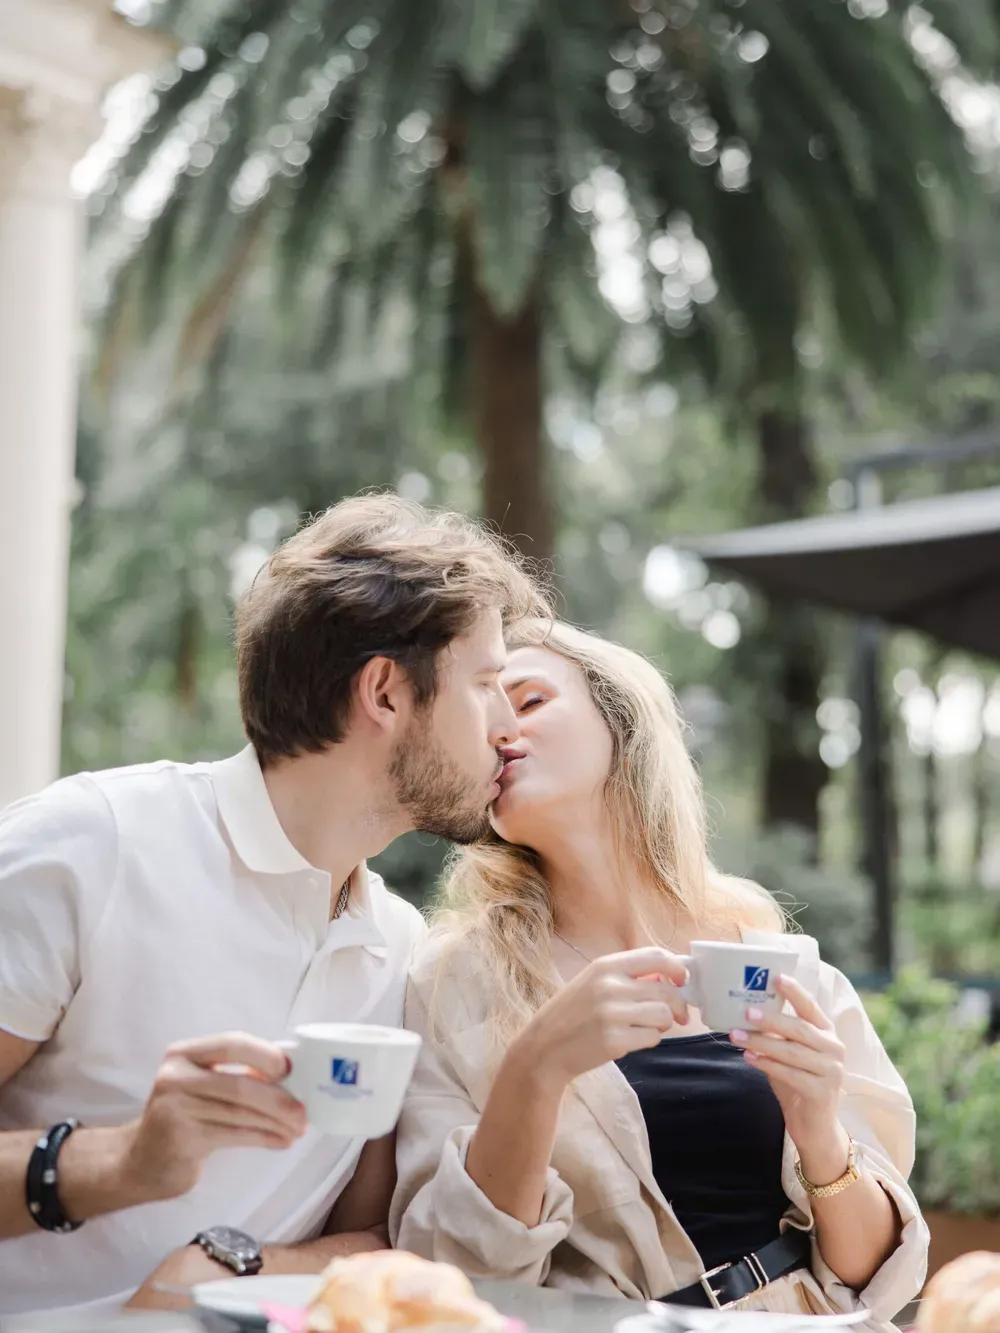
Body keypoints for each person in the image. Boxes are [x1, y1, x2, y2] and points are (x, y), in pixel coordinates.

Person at [0, 493, 544, 1314]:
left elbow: (373, 1235)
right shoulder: (94, 846)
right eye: (489, 682)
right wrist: (120, 1163)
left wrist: (234, 1263)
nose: (509, 724)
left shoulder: (397, 946)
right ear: (387, 692)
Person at [391, 620, 928, 1329]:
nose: (498, 729)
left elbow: (875, 1276)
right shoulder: (451, 980)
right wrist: (536, 1068)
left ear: (620, 717)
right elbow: (454, 1279)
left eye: (528, 700)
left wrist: (821, 1134)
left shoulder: (777, 958)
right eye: (484, 711)